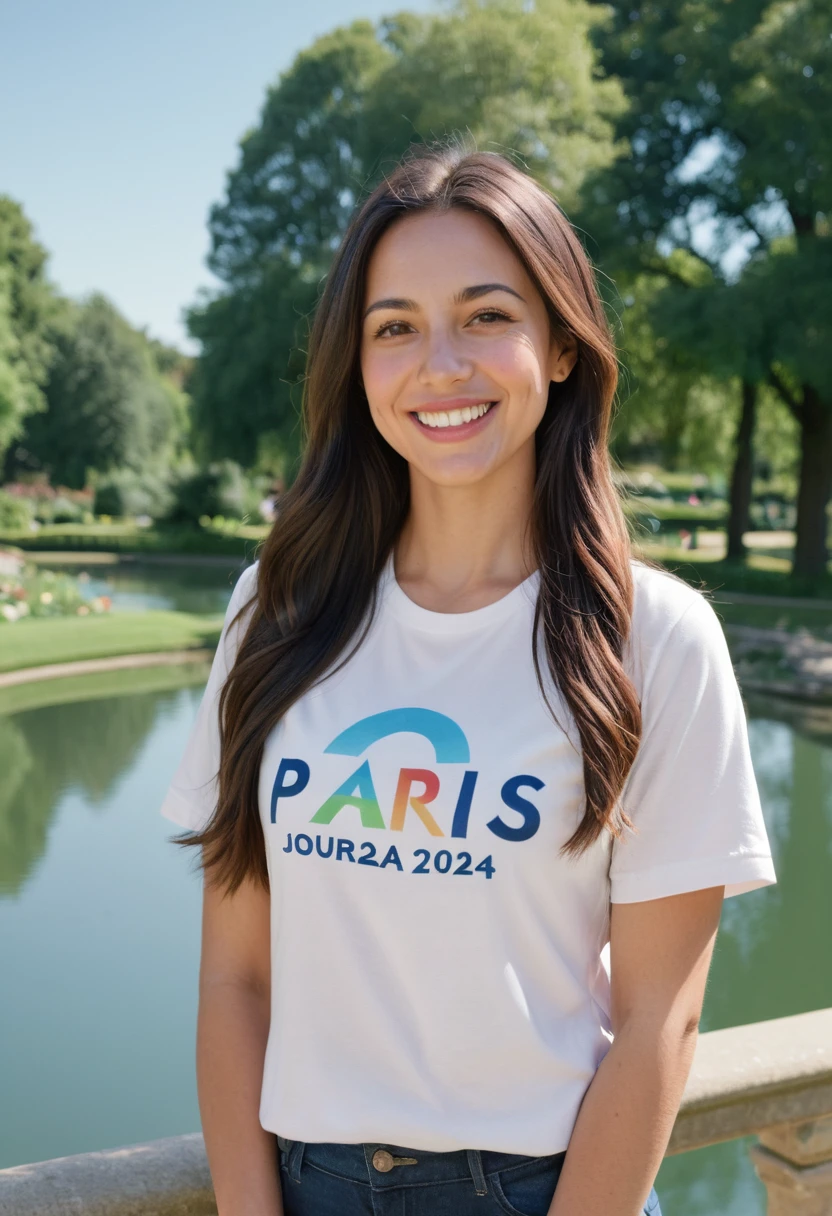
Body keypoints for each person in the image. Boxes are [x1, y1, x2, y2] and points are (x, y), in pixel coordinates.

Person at [160, 144, 776, 1216]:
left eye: (487, 315)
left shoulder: (655, 639)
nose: (439, 363)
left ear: (563, 347)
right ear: (357, 367)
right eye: (393, 327)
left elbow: (657, 1024)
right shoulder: (279, 608)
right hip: (310, 1183)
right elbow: (234, 979)